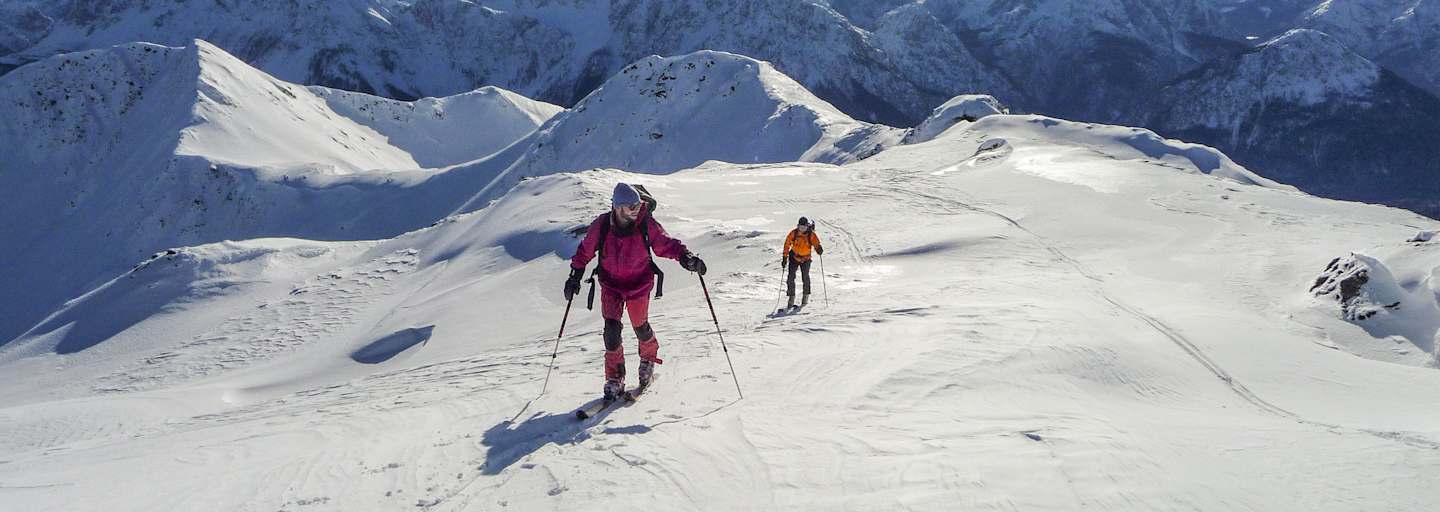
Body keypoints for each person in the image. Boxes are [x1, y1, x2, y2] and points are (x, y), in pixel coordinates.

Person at [565, 183, 707, 400]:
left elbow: (665, 244)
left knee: (640, 327)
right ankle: (615, 377)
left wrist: (686, 258)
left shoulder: (645, 223)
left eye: (638, 205)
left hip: (639, 285)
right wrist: (574, 276)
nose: (636, 209)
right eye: (631, 206)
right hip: (610, 285)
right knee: (611, 332)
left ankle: (648, 359)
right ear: (618, 207)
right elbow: (585, 251)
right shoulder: (602, 225)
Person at [782, 217, 822, 310]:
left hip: (806, 259)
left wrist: (818, 249)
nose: (801, 229)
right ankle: (791, 300)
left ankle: (805, 299)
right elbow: (787, 244)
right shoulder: (794, 233)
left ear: (807, 226)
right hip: (794, 257)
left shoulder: (811, 235)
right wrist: (784, 257)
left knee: (805, 277)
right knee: (790, 277)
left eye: (803, 227)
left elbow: (816, 243)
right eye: (800, 227)